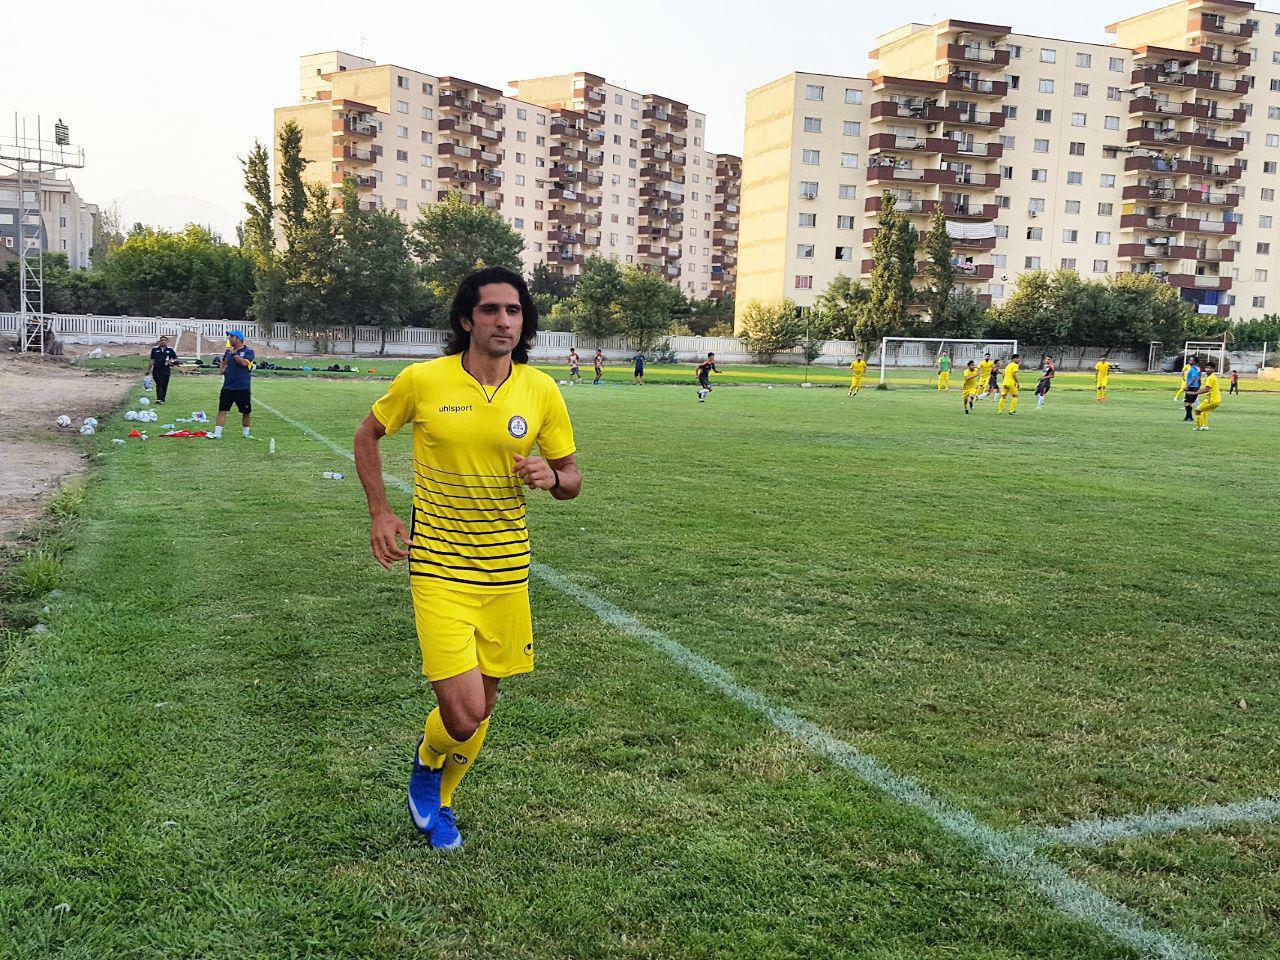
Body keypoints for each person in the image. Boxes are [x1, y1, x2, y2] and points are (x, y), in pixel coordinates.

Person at [353, 266, 581, 851]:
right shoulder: (423, 380)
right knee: (462, 714)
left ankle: (443, 798)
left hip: (507, 572)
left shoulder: (540, 390)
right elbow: (367, 435)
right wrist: (381, 511)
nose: (504, 320)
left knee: (483, 710)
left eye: (514, 310)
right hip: (439, 568)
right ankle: (428, 758)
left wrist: (551, 476)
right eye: (491, 310)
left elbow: (572, 479)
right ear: (465, 320)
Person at [209, 330, 255, 439]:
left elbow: (244, 363)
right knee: (222, 410)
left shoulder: (249, 351)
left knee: (245, 412)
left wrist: (233, 353)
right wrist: (222, 369)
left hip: (242, 387)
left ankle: (246, 434)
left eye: (231, 337)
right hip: (228, 386)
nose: (229, 339)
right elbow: (223, 362)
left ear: (238, 339)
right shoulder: (228, 352)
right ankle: (217, 434)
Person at [148, 335, 178, 404]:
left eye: (164, 340)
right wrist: (148, 370)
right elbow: (152, 360)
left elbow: (175, 359)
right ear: (159, 341)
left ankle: (162, 399)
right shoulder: (155, 350)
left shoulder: (170, 350)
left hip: (166, 370)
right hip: (156, 370)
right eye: (161, 340)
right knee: (159, 384)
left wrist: (172, 361)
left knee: (164, 385)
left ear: (167, 341)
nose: (163, 341)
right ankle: (159, 399)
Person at [1192, 360, 1222, 430]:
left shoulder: (1210, 378)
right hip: (1214, 399)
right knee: (1204, 410)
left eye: (1210, 368)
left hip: (1212, 400)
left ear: (1213, 369)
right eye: (1207, 367)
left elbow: (1206, 389)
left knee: (1198, 410)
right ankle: (1205, 426)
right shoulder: (1211, 376)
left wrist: (1196, 392)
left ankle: (1198, 427)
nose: (1208, 369)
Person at [1180, 356, 1201, 422]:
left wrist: (1188, 386)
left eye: (1191, 360)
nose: (1189, 361)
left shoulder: (1194, 369)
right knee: (1188, 403)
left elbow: (1194, 378)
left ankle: (1189, 417)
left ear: (1195, 362)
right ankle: (1188, 417)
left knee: (1187, 403)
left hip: (1192, 388)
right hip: (1193, 387)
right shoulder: (1193, 368)